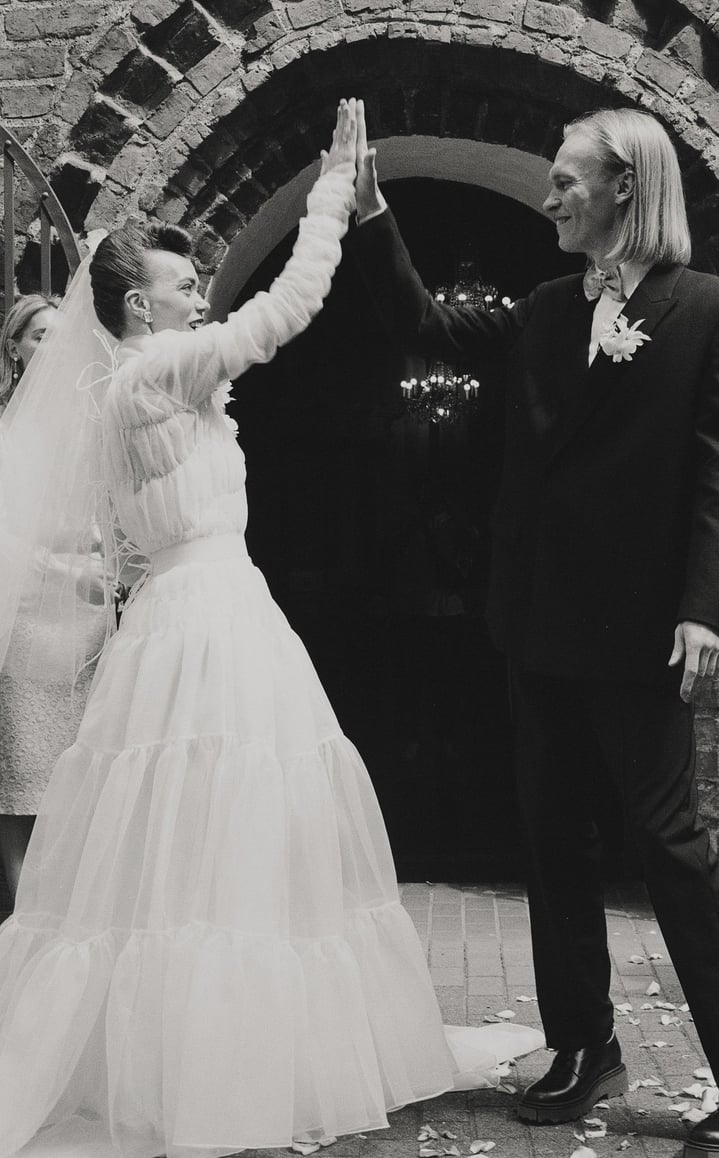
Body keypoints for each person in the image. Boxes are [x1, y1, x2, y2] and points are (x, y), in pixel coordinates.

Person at [0, 100, 542, 1158]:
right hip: (206, 624)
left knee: (210, 832)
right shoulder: (154, 373)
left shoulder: (139, 389)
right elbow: (285, 309)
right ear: (140, 307)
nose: (199, 292)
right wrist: (334, 194)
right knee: (223, 815)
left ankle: (224, 1046)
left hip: (194, 616)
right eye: (182, 283)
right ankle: (218, 1067)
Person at [350, 101, 719, 1158]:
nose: (549, 199)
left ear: (626, 186)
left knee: (672, 846)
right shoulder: (545, 307)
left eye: (567, 181)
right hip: (537, 620)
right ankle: (585, 1045)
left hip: (642, 627)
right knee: (552, 838)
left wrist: (703, 607)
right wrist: (370, 217)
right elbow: (427, 328)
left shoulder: (714, 313)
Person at [0, 293, 110, 902]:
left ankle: (75, 916)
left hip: (90, 621)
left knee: (82, 776)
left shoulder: (95, 418)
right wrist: (65, 571)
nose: (52, 348)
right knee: (23, 779)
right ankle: (22, 920)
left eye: (61, 336)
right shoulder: (5, 426)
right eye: (40, 335)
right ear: (14, 347)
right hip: (25, 614)